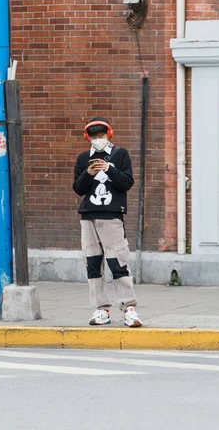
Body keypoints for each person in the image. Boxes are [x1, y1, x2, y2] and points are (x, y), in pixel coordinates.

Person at [73, 116, 142, 327]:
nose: (97, 139)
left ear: (108, 134)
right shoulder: (84, 157)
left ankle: (128, 308)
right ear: (88, 137)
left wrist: (108, 169)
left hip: (112, 216)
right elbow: (78, 188)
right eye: (93, 136)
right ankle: (101, 309)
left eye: (100, 135)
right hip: (88, 216)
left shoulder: (120, 154)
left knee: (118, 262)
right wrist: (88, 172)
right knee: (93, 264)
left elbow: (127, 182)